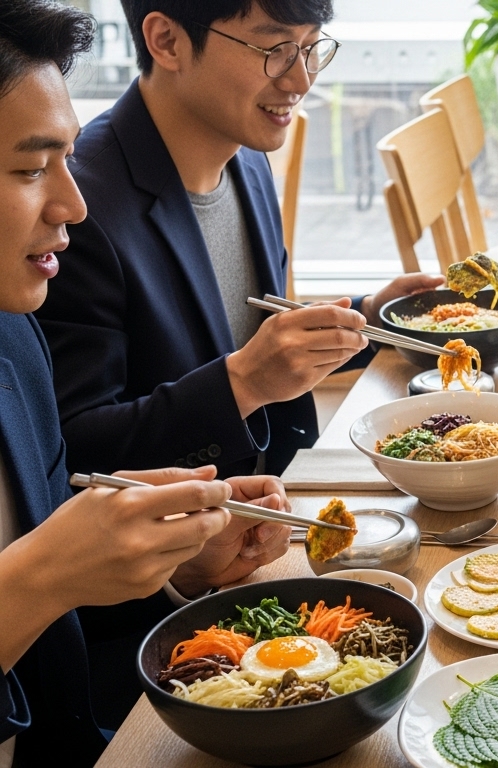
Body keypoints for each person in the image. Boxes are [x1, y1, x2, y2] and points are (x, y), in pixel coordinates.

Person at [0, 3, 292, 764]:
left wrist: (169, 561)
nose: (74, 204)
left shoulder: (11, 334)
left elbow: (53, 628)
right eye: (31, 170)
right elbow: (36, 569)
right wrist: (36, 578)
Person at [34, 0, 444, 479]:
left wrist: (368, 314)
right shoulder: (78, 208)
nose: (301, 80)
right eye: (274, 49)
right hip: (190, 538)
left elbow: (245, 332)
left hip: (281, 492)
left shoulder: (247, 159)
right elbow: (75, 450)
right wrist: (243, 383)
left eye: (312, 47)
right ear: (167, 41)